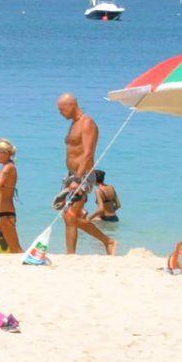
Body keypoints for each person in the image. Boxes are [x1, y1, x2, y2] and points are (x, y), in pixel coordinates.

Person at [55, 94, 117, 255]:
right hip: (71, 175)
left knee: (70, 215)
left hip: (83, 175)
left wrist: (77, 179)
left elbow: (88, 154)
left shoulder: (87, 123)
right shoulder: (74, 124)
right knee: (69, 216)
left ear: (72, 105)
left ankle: (74, 253)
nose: (60, 113)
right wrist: (71, 177)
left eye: (62, 109)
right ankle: (106, 242)